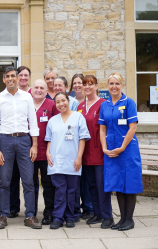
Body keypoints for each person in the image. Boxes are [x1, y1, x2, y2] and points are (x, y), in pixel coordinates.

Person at [0, 66, 41, 230]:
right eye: (8, 76)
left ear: (18, 78)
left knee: (28, 181)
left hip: (24, 140)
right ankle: (3, 215)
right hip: (5, 141)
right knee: (4, 181)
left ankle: (30, 215)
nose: (11, 78)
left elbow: (33, 123)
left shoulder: (27, 97)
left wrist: (34, 145)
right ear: (4, 79)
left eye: (14, 76)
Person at [99, 72, 142, 231]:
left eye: (117, 83)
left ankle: (129, 219)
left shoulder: (129, 102)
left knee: (129, 183)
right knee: (117, 183)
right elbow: (102, 130)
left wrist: (122, 147)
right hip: (111, 149)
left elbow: (133, 128)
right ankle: (122, 219)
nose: (114, 86)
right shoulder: (105, 104)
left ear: (122, 85)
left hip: (127, 149)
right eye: (111, 84)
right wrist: (104, 148)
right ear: (107, 86)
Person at [45, 92, 90, 229]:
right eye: (57, 102)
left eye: (63, 100)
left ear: (68, 101)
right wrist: (47, 153)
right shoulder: (53, 120)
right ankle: (58, 218)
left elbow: (82, 138)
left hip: (72, 160)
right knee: (59, 189)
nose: (61, 104)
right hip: (56, 160)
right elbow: (49, 139)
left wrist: (79, 157)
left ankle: (70, 216)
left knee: (71, 190)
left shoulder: (78, 117)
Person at [77, 75, 114, 229]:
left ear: (97, 86)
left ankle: (107, 216)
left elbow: (108, 128)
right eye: (85, 84)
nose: (87, 87)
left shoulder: (103, 104)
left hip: (99, 150)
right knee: (91, 184)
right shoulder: (80, 106)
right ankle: (97, 213)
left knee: (101, 184)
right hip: (85, 151)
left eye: (90, 84)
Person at [31, 79, 59, 225]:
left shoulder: (51, 105)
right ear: (31, 89)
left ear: (46, 91)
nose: (39, 90)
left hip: (46, 151)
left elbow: (57, 127)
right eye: (36, 87)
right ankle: (32, 212)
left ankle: (49, 212)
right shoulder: (26, 104)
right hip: (29, 152)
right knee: (31, 183)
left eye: (42, 88)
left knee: (47, 184)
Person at [69, 74, 94, 221]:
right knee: (77, 177)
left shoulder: (89, 101)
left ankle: (89, 207)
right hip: (74, 145)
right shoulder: (72, 102)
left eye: (80, 83)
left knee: (87, 178)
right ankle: (76, 207)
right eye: (75, 83)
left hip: (89, 144)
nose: (78, 85)